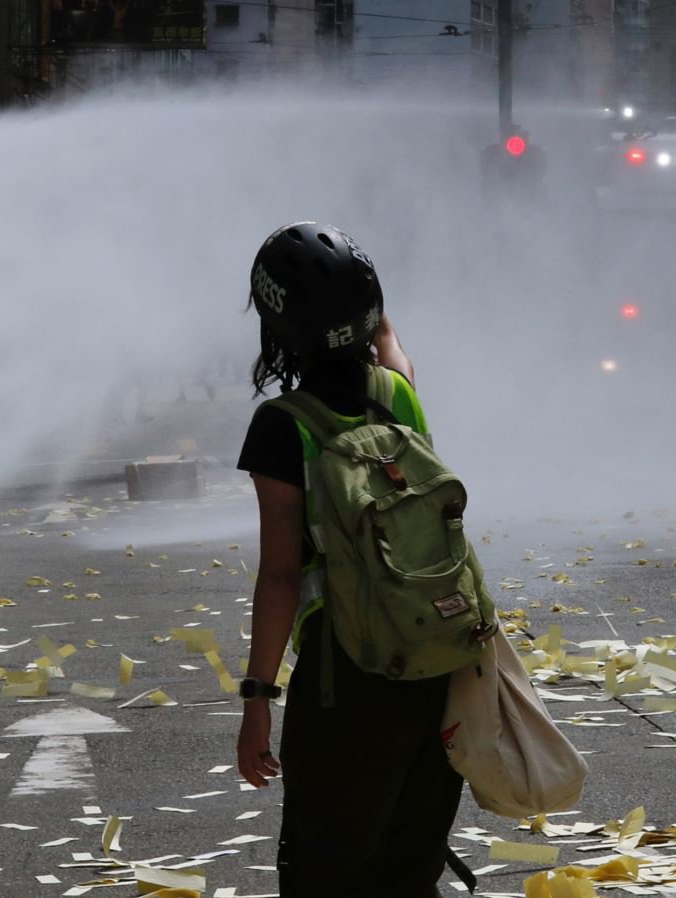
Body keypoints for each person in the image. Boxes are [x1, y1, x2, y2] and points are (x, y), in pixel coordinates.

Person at [234, 223, 456, 897]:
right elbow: (390, 343)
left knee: (325, 869)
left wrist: (257, 698)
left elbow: (279, 576)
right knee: (409, 867)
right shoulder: (398, 394)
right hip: (433, 662)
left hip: (344, 672)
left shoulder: (284, 426)